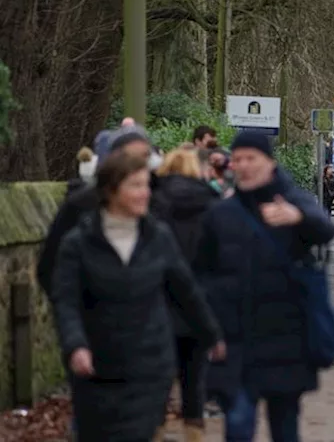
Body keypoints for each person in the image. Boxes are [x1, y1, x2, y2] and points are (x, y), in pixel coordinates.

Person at [50, 151, 225, 442]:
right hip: (96, 366)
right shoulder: (78, 243)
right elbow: (65, 299)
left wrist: (212, 335)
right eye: (135, 185)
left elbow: (186, 291)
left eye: (146, 185)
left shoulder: (158, 237)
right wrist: (75, 344)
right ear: (110, 189)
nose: (145, 193)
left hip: (149, 365)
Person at [200, 132, 334, 442]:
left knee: (285, 428)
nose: (245, 166)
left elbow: (326, 229)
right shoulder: (219, 214)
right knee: (237, 424)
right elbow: (199, 272)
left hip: (285, 339)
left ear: (270, 163)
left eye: (252, 159)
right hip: (234, 340)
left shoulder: (291, 200)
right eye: (238, 160)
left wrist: (298, 217)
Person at [37, 125, 170, 298]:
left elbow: (178, 274)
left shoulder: (160, 202)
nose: (139, 163)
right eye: (131, 156)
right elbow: (51, 266)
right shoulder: (81, 204)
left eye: (145, 156)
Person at [155, 149, 222, 442]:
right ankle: (193, 433)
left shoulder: (152, 202)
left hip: (158, 305)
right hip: (198, 303)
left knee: (157, 382)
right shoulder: (211, 203)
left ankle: (155, 430)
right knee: (194, 380)